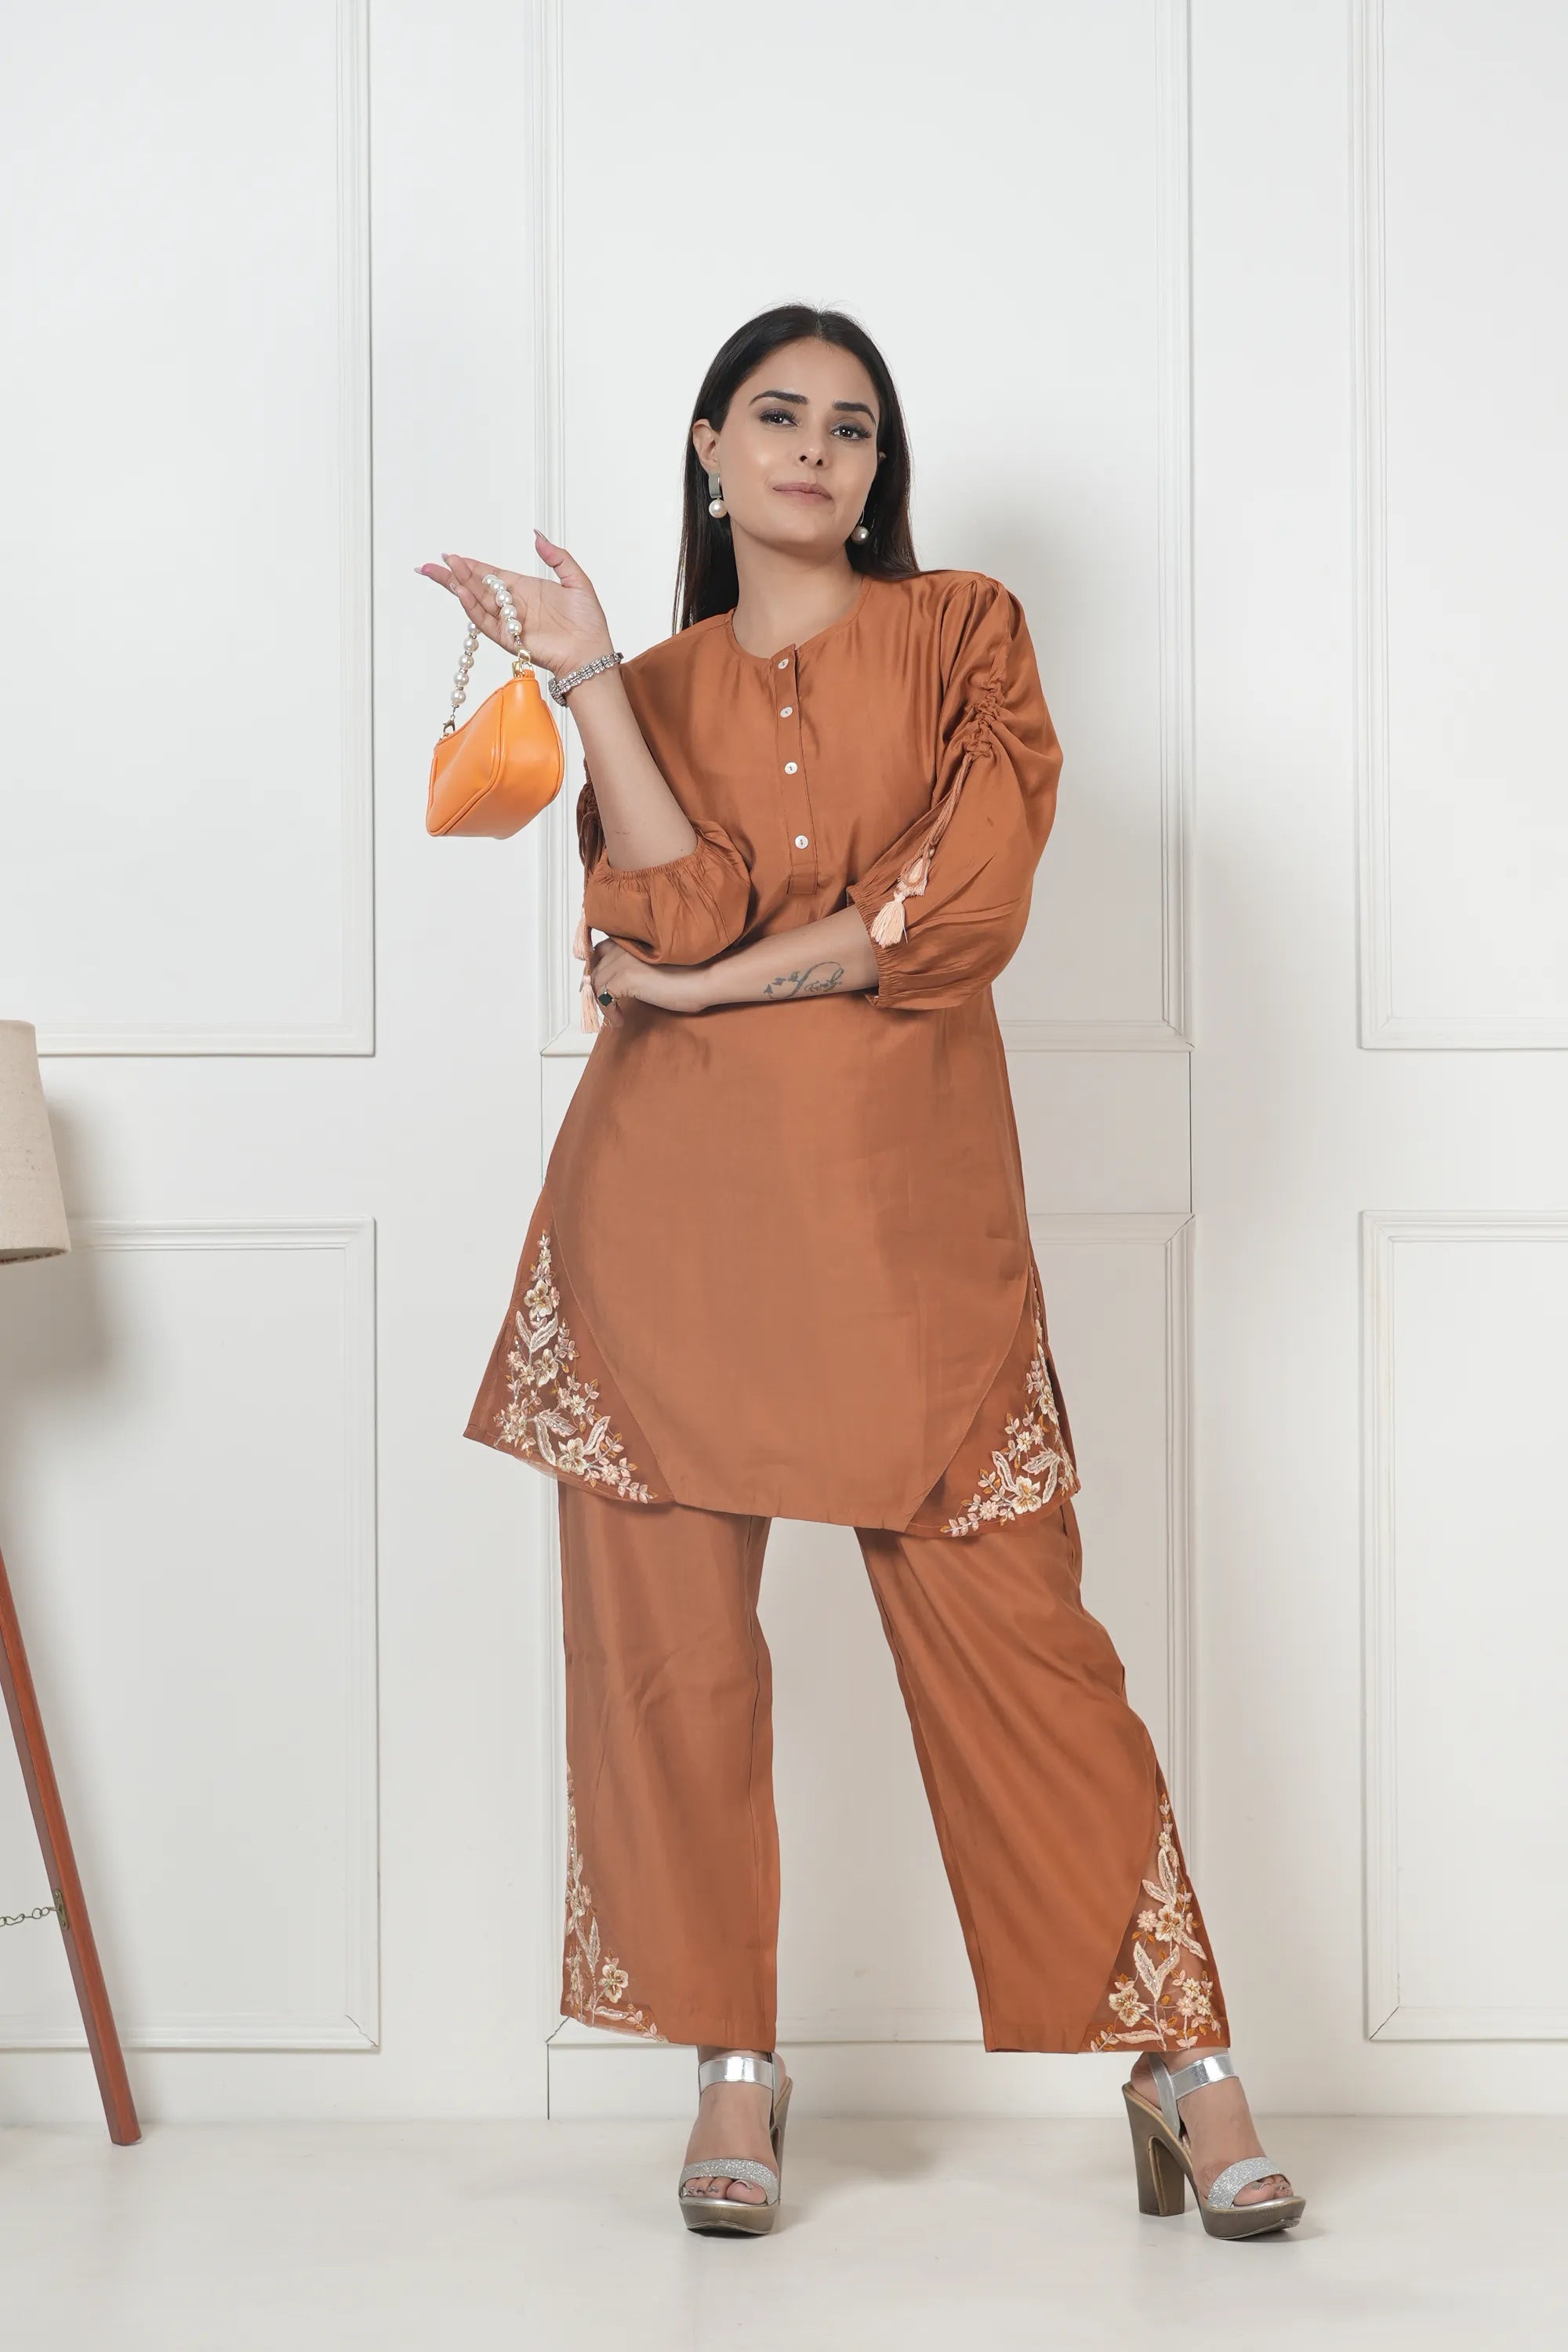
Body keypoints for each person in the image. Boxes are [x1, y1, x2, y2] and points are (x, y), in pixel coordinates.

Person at [420, 303, 1303, 2242]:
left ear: (880, 469)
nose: (816, 450)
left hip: (906, 1231)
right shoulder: (651, 676)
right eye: (778, 416)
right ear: (709, 449)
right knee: (669, 1666)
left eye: (852, 426)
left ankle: (1181, 2059)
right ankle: (732, 2067)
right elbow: (670, 905)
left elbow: (949, 913)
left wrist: (707, 991)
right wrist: (588, 679)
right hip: (662, 1232)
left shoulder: (964, 631)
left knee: (1029, 1657)